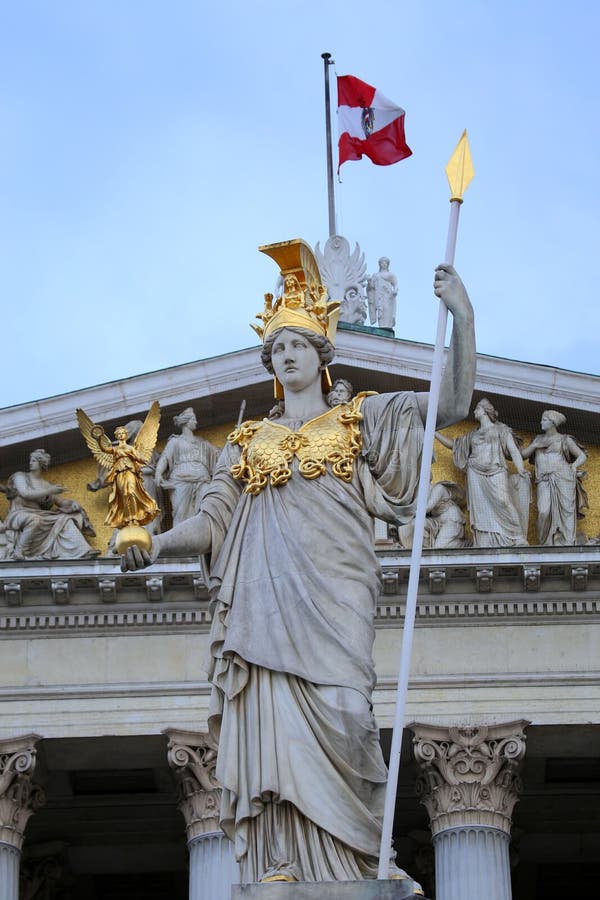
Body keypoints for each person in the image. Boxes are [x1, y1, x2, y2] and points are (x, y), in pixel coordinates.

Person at [122, 244, 475, 885]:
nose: (287, 357)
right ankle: (280, 862)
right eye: (277, 349)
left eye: (298, 346)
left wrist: (463, 318)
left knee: (348, 719)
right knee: (275, 733)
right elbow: (210, 522)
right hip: (264, 616)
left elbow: (449, 406)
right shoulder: (247, 443)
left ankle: (364, 861)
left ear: (322, 355)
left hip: (336, 601)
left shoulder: (362, 419)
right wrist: (152, 540)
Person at [435, 398, 529, 547]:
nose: (474, 412)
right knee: (481, 510)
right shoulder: (473, 435)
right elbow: (455, 446)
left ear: (485, 411)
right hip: (475, 473)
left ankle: (517, 536)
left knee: (503, 500)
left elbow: (513, 450)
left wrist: (521, 469)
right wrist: (435, 434)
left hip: (496, 469)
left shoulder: (501, 430)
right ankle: (485, 539)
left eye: (477, 409)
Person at [2, 449, 98, 560]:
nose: (30, 463)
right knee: (35, 520)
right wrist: (49, 491)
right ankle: (19, 552)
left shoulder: (46, 485)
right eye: (31, 460)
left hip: (40, 514)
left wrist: (73, 503)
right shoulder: (20, 476)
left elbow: (61, 502)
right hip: (20, 513)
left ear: (41, 464)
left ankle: (83, 551)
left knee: (66, 520)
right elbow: (25, 493)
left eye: (34, 460)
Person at [521, 410, 588, 545]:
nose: (541, 422)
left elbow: (582, 456)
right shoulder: (538, 439)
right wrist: (534, 445)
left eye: (544, 420)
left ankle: (566, 542)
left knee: (566, 512)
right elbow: (523, 454)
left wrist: (574, 466)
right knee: (543, 511)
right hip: (544, 480)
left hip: (563, 478)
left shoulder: (564, 439)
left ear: (552, 423)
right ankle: (545, 543)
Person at [154, 408, 218, 526]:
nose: (196, 422)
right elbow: (165, 458)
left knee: (207, 508)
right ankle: (181, 541)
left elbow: (219, 454)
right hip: (181, 481)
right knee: (181, 514)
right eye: (193, 419)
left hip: (203, 480)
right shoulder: (175, 441)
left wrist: (232, 440)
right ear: (186, 422)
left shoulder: (202, 443)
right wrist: (158, 473)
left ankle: (206, 539)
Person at [367, 257, 398, 329]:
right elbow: (372, 287)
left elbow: (395, 284)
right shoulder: (376, 275)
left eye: (385, 263)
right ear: (379, 264)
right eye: (382, 263)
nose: (383, 264)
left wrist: (395, 290)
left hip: (388, 295)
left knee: (387, 309)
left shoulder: (391, 275)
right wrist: (369, 281)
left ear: (387, 264)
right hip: (379, 295)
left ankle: (387, 326)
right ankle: (381, 326)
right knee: (380, 310)